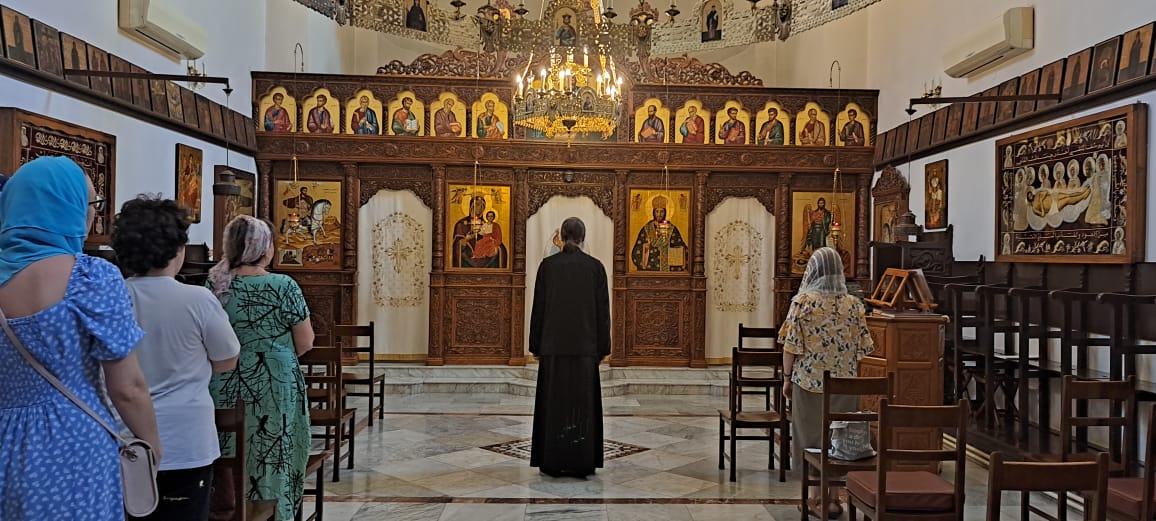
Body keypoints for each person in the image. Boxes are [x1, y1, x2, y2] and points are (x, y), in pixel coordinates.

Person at [0, 156, 161, 520]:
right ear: (66, 207)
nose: (92, 215)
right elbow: (127, 388)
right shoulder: (91, 277)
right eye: (90, 203)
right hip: (73, 442)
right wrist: (151, 446)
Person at [112, 196, 241, 521]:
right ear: (178, 248)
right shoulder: (197, 299)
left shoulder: (112, 297)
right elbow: (227, 359)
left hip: (124, 437)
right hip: (186, 439)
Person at [207, 216, 314, 521]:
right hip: (275, 383)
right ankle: (270, 514)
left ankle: (231, 511)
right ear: (264, 248)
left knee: (230, 451)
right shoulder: (283, 285)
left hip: (225, 380)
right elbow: (305, 341)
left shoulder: (215, 284)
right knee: (273, 450)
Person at [779, 247, 874, 519]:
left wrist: (787, 378)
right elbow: (863, 348)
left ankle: (815, 498)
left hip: (808, 383)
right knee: (839, 439)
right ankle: (833, 499)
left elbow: (791, 347)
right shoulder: (854, 305)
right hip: (845, 385)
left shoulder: (802, 302)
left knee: (811, 440)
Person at [529, 217, 610, 478]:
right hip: (585, 349)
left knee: (554, 404)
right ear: (583, 238)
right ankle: (582, 461)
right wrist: (602, 349)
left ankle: (552, 461)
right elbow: (602, 313)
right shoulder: (595, 268)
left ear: (562, 237)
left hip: (553, 349)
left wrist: (536, 345)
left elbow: (539, 309)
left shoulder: (548, 267)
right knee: (582, 405)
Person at [630, 195, 687, 271]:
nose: (659, 214)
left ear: (665, 212)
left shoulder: (671, 228)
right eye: (657, 211)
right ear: (653, 212)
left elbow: (681, 247)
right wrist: (647, 247)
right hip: (651, 268)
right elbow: (637, 249)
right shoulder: (647, 228)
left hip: (668, 268)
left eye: (662, 211)